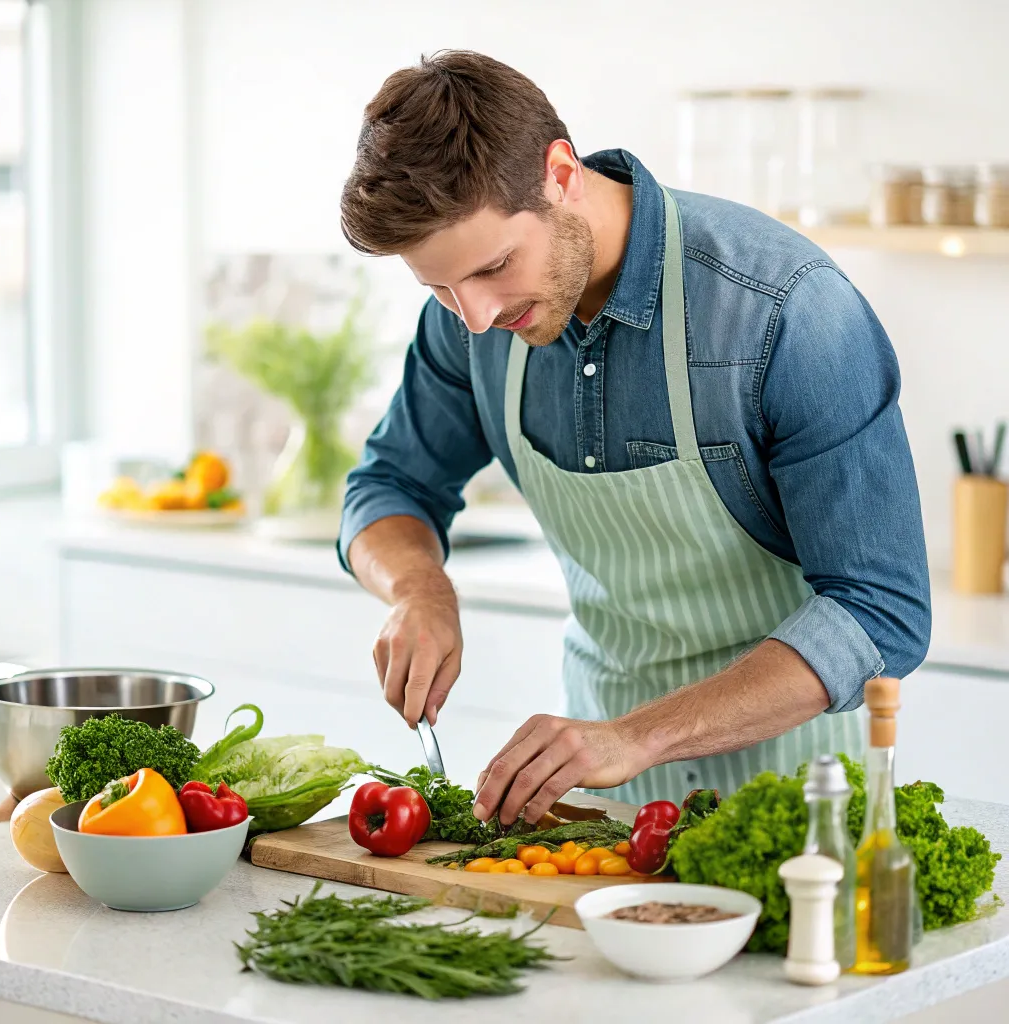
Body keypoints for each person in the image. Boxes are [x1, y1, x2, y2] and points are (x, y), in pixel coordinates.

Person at [335, 51, 930, 828]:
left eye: (493, 268)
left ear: (560, 173)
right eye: (440, 289)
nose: (475, 317)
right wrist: (419, 589)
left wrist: (639, 736)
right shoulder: (473, 323)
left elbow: (881, 609)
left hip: (793, 803)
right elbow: (390, 487)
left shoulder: (784, 311)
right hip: (595, 798)